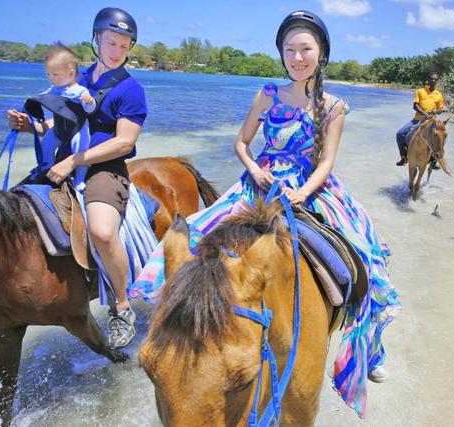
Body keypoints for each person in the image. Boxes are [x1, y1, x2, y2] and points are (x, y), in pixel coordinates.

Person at [133, 9, 400, 416]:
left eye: (305, 49)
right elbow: (242, 143)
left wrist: (301, 192)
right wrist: (254, 168)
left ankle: (367, 349)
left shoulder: (333, 106)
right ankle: (178, 329)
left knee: (364, 257)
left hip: (309, 188)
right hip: (258, 183)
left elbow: (326, 161)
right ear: (281, 54)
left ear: (321, 53)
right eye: (290, 49)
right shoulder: (267, 95)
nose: (297, 57)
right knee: (197, 242)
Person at [7, 7, 147, 349]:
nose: (116, 50)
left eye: (124, 45)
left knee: (100, 230)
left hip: (104, 169)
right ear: (96, 40)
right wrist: (30, 127)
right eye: (111, 42)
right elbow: (57, 128)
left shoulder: (131, 90)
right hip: (62, 163)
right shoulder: (74, 82)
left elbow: (125, 141)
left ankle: (122, 307)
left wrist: (75, 161)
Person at [35, 43, 96, 191]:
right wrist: (32, 102)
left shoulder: (79, 90)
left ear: (71, 73)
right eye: (48, 74)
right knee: (46, 145)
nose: (51, 78)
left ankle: (80, 179)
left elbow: (90, 108)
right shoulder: (54, 88)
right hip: (59, 129)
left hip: (77, 129)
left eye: (55, 75)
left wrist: (89, 101)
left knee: (80, 149)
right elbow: (44, 96)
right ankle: (46, 169)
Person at [395, 71, 444, 166]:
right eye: (431, 78)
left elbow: (440, 109)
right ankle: (404, 157)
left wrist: (436, 111)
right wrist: (425, 114)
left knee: (443, 136)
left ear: (438, 80)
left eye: (435, 79)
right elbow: (415, 106)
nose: (433, 80)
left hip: (431, 122)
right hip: (417, 120)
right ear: (428, 79)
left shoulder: (439, 95)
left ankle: (434, 160)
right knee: (399, 134)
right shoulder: (420, 91)